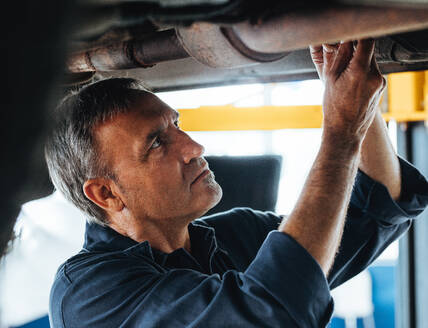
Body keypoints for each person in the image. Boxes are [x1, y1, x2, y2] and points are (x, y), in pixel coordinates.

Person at [45, 39, 428, 327]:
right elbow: (271, 313)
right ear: (106, 193)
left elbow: (377, 207)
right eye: (157, 142)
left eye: (176, 125)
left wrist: (351, 84)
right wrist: (342, 130)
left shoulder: (237, 235)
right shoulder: (89, 294)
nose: (194, 146)